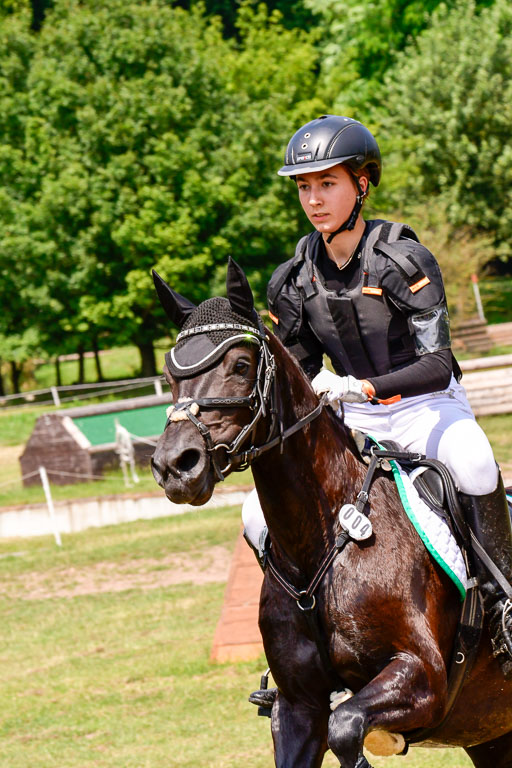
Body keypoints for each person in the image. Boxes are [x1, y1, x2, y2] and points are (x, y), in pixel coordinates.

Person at [243, 114, 512, 677]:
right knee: (255, 513)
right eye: (303, 187)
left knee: (474, 462)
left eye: (327, 184)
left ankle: (505, 599)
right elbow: (299, 369)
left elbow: (438, 364)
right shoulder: (291, 280)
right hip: (353, 418)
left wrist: (359, 386)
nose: (313, 200)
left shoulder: (402, 259)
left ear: (362, 184)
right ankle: (297, 636)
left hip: (426, 407)